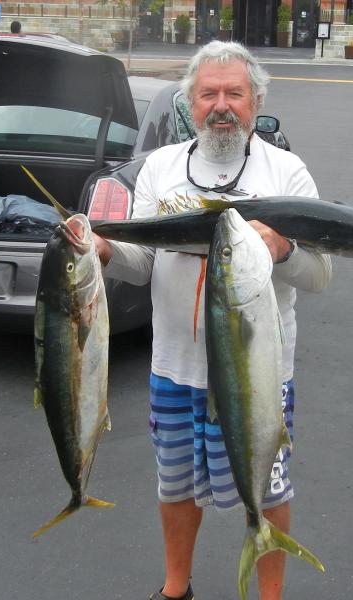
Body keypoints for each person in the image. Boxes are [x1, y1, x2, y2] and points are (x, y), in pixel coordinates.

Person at [71, 41, 332, 600]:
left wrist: (283, 249)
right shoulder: (162, 169)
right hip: (175, 369)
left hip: (257, 374)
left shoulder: (287, 172)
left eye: (234, 93)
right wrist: (108, 252)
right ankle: (174, 588)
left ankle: (270, 594)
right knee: (176, 485)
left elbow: (320, 275)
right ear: (189, 104)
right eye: (208, 94)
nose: (221, 105)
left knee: (268, 482)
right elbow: (143, 265)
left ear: (255, 100)